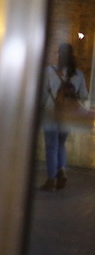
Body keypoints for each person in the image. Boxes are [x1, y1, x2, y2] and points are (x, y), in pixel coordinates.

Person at [40, 42, 88, 191]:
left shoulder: (49, 71)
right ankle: (63, 170)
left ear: (59, 55)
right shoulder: (79, 74)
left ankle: (51, 180)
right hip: (68, 115)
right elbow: (84, 95)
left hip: (51, 113)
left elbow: (42, 94)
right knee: (60, 144)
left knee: (51, 146)